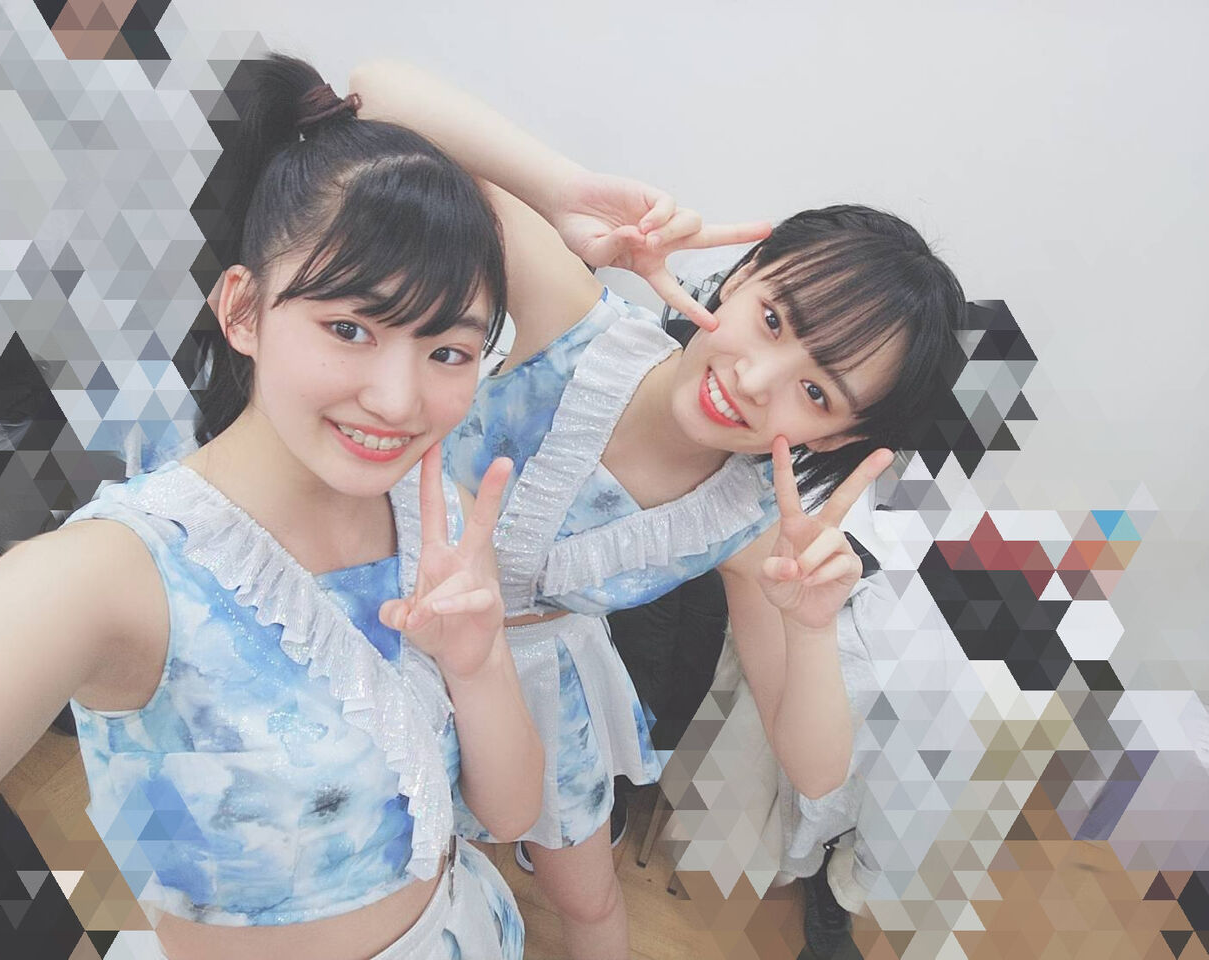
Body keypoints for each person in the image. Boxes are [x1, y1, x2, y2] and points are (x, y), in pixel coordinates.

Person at [0, 54, 543, 960]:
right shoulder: (110, 576)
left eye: (448, 350)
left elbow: (511, 814)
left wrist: (480, 664)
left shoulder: (439, 517)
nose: (398, 400)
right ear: (244, 310)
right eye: (349, 328)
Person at [351, 61, 965, 960]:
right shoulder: (573, 323)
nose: (755, 381)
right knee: (383, 872)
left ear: (837, 437)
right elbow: (373, 94)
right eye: (773, 320)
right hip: (374, 619)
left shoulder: (745, 527)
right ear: (741, 274)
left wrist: (812, 630)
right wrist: (564, 190)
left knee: (591, 902)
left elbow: (816, 771)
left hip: (533, 682)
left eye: (816, 393)